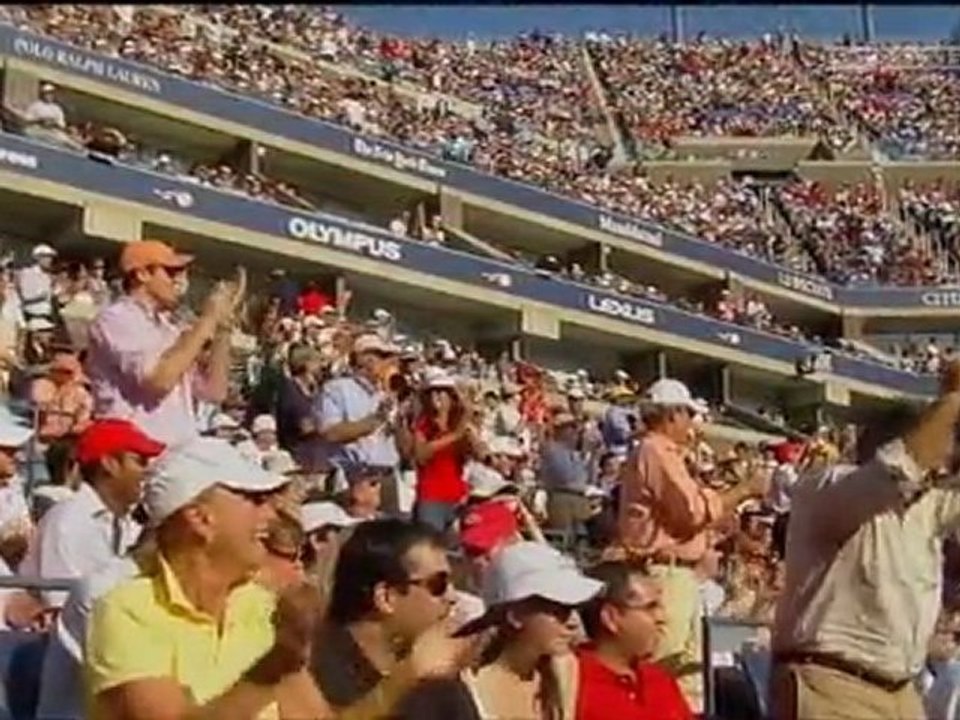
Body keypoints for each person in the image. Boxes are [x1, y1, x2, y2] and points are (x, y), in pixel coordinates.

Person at [85, 438, 465, 720]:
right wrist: (272, 667)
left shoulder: (260, 607)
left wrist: (408, 677)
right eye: (253, 501)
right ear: (200, 519)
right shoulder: (127, 611)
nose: (270, 515)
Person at [771, 360, 960, 720]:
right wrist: (954, 400)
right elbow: (898, 468)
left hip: (900, 690)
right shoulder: (829, 488)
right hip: (832, 684)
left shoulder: (926, 507)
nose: (943, 460)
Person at [618, 378, 767, 711]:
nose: (692, 423)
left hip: (678, 573)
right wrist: (743, 490)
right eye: (688, 414)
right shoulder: (656, 450)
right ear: (672, 414)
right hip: (666, 573)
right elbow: (692, 512)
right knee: (663, 665)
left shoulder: (659, 452)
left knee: (688, 674)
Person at [85, 240, 241, 445]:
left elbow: (214, 392)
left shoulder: (169, 329)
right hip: (135, 448)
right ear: (142, 274)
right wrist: (208, 319)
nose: (179, 280)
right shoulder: (117, 318)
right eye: (171, 272)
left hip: (178, 447)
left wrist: (223, 327)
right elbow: (158, 381)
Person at [454, 541, 603, 719]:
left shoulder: (564, 674)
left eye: (573, 609)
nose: (573, 622)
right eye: (558, 609)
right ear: (516, 616)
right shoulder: (469, 689)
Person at [576, 561, 691, 720]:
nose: (661, 618)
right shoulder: (573, 684)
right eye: (650, 607)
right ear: (611, 618)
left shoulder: (659, 680)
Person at [317, 333, 401, 511]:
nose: (388, 363)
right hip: (353, 476)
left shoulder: (387, 394)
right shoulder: (337, 388)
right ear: (365, 359)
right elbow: (331, 433)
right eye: (382, 356)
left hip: (386, 476)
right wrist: (375, 420)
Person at [411, 369, 482, 532]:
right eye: (432, 392)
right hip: (431, 498)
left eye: (441, 392)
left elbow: (478, 453)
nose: (436, 396)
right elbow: (420, 455)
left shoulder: (460, 425)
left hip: (458, 498)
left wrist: (469, 430)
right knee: (430, 543)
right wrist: (455, 435)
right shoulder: (422, 425)